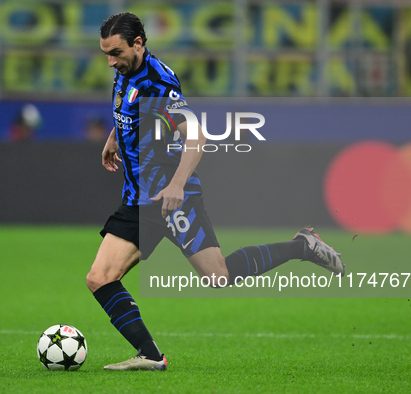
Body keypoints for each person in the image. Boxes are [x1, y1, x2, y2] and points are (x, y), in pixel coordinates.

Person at [86, 13, 345, 371]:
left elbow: (197, 136)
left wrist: (176, 185)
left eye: (115, 52)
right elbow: (129, 109)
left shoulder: (159, 84)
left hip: (172, 197)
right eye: (106, 54)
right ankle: (149, 355)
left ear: (139, 43)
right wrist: (116, 136)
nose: (110, 61)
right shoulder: (125, 70)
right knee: (99, 278)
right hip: (137, 200)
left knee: (217, 276)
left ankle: (303, 245)